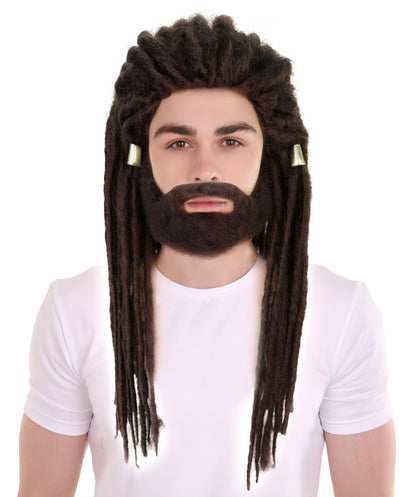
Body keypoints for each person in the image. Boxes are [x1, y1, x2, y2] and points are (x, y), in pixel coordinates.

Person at [18, 14, 395, 497]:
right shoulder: (74, 309)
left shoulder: (340, 310)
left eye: (231, 141)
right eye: (178, 142)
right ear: (140, 158)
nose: (205, 168)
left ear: (269, 155)